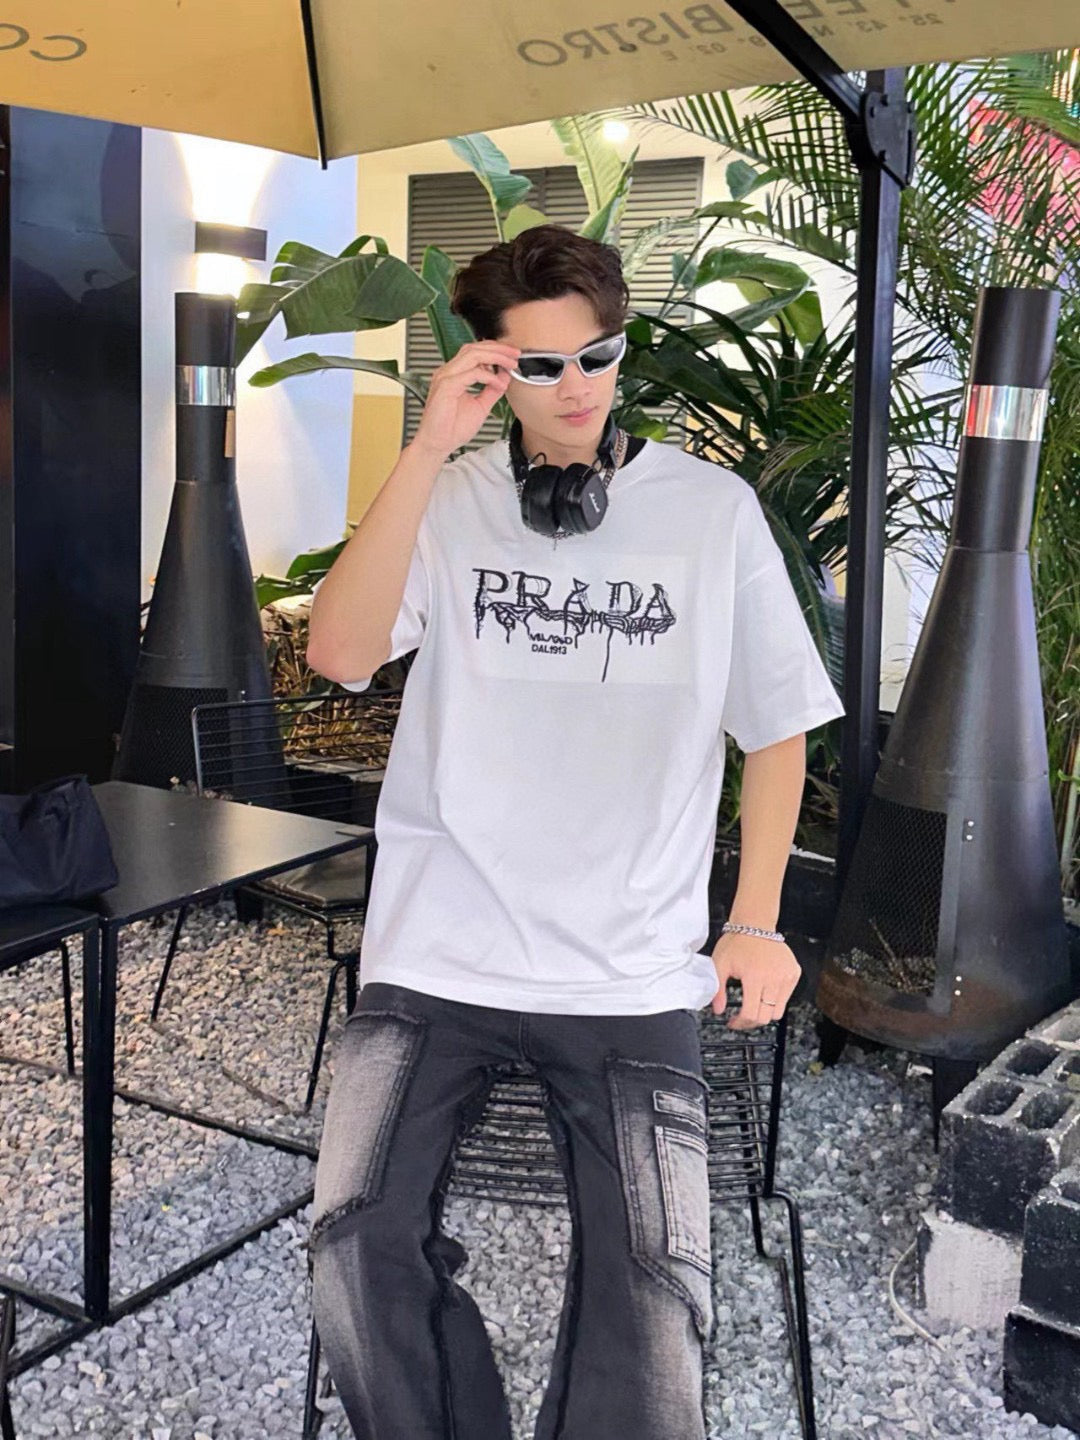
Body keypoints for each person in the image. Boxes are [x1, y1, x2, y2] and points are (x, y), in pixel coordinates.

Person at [305, 223, 845, 1439]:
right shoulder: (445, 502)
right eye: (538, 367)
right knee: (352, 1241)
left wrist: (756, 921)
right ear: (491, 369)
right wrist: (428, 449)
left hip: (629, 968)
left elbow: (776, 730)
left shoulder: (710, 514)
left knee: (658, 1302)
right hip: (437, 952)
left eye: (596, 357)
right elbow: (338, 653)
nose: (576, 390)